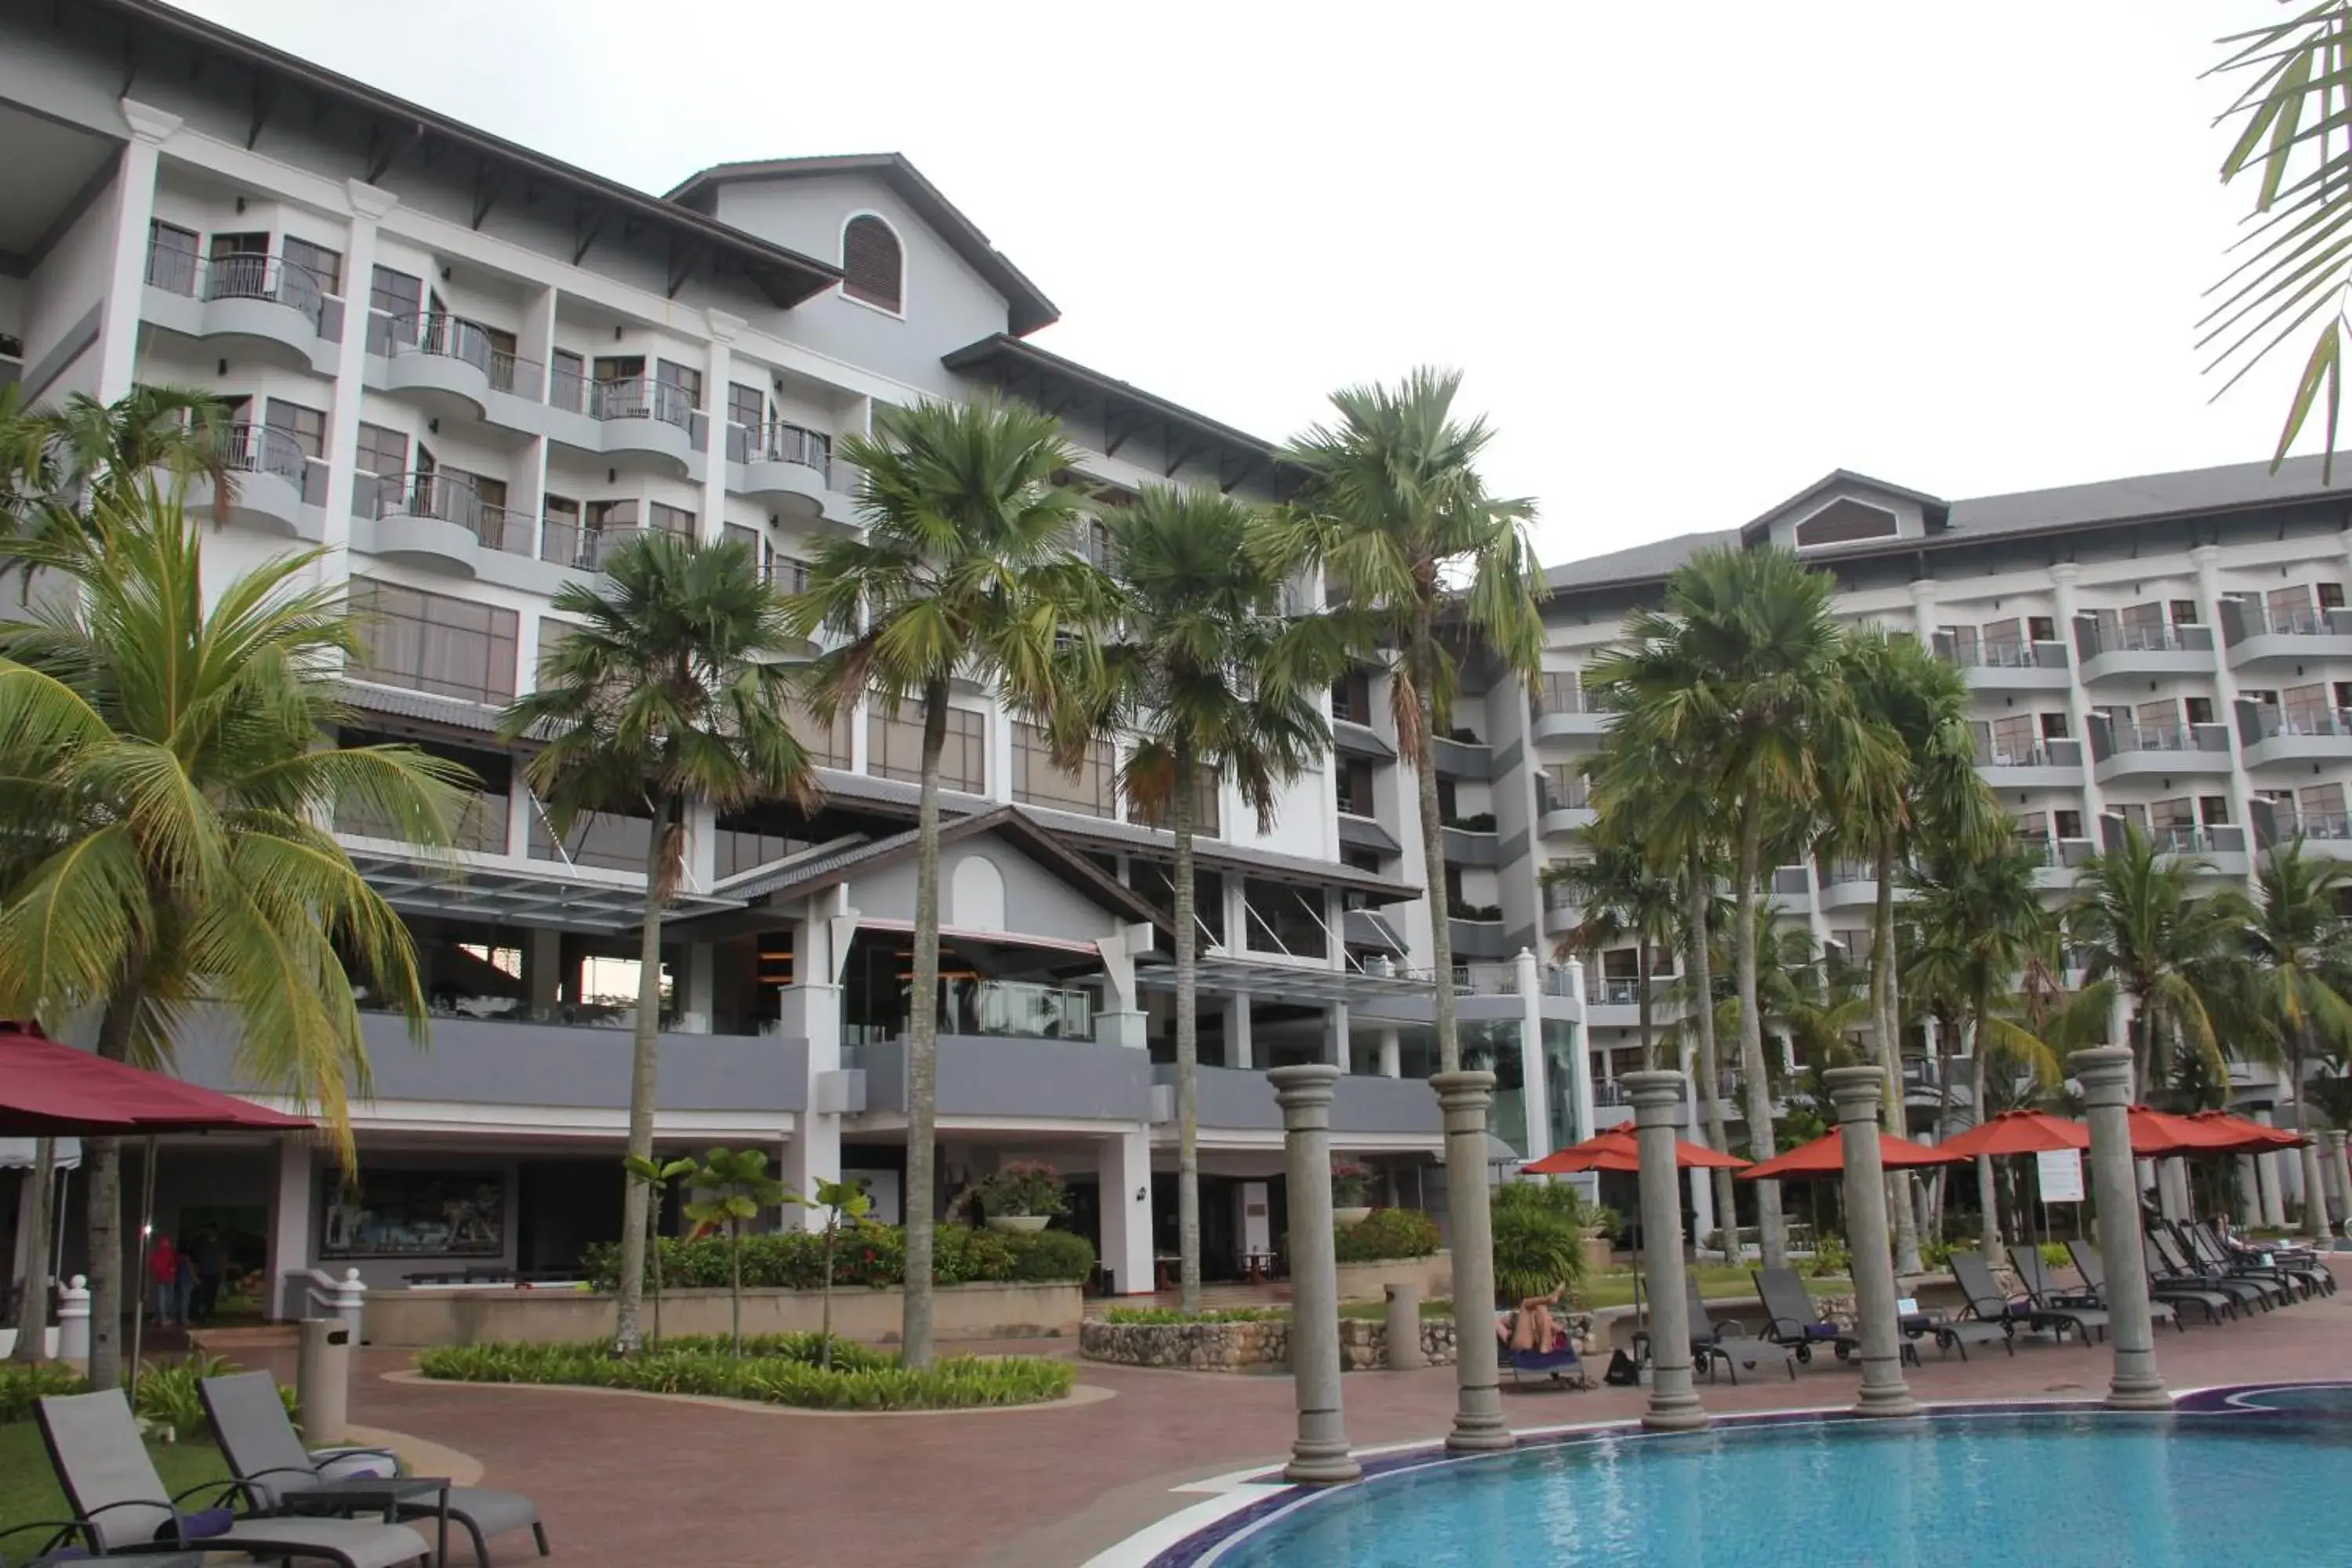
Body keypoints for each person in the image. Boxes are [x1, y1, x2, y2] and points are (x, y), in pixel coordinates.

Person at [1509, 1282, 1568, 1353]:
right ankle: (1549, 1299)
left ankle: (1549, 1299)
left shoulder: (1541, 1313)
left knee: (1536, 1307)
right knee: (1538, 1308)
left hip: (1528, 1347)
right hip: (1526, 1346)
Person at [189, 1229, 228, 1324]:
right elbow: (198, 1261)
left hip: (213, 1274)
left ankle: (207, 1314)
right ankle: (202, 1315)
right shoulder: (204, 1246)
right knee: (203, 1295)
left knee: (211, 1295)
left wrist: (223, 1276)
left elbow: (224, 1262)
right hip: (205, 1274)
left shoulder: (219, 1247)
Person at [147, 1232, 182, 1328]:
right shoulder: (167, 1249)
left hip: (161, 1276)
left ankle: (159, 1317)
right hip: (168, 1277)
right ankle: (162, 1318)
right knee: (166, 1298)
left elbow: (154, 1262)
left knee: (161, 1298)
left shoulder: (155, 1249)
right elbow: (172, 1260)